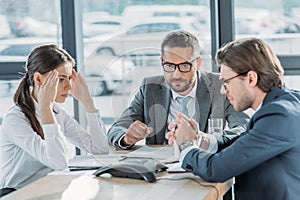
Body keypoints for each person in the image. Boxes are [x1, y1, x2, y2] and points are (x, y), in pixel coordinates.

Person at [166, 38, 300, 200]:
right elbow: (246, 143)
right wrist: (201, 139)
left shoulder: (278, 115)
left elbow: (216, 169)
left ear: (251, 78)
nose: (223, 91)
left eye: (226, 82)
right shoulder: (287, 102)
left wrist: (186, 145)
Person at [107, 29, 250, 149]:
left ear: (198, 63)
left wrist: (205, 140)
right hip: (162, 172)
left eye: (184, 66)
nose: (176, 74)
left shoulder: (219, 86)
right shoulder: (149, 88)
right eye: (169, 66)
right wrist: (127, 138)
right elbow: (116, 129)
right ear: (162, 61)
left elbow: (243, 129)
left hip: (204, 166)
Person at [0, 44, 109, 197]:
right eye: (61, 79)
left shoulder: (57, 112)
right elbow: (59, 163)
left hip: (47, 189)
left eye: (70, 78)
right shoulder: (16, 119)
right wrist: (45, 109)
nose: (69, 86)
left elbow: (100, 150)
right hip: (18, 193)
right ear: (38, 79)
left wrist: (87, 101)